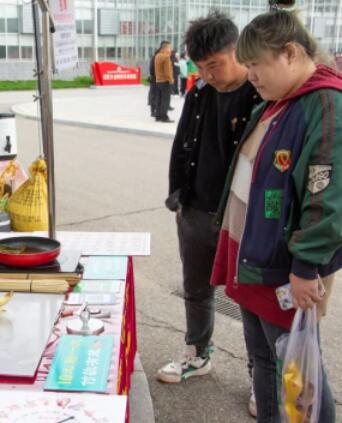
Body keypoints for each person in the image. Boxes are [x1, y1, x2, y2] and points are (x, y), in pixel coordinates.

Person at [211, 8, 340, 423]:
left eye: (256, 64)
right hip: (254, 257)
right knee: (265, 360)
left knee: (298, 370)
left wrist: (306, 265)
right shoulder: (279, 102)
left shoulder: (325, 104)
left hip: (284, 267)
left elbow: (327, 197)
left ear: (290, 53)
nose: (250, 76)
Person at [160, 11, 262, 399]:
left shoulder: (259, 95)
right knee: (196, 289)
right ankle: (198, 353)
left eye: (214, 65)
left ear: (237, 51)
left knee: (249, 299)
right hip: (195, 210)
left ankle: (260, 375)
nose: (207, 74)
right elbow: (181, 144)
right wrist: (177, 195)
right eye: (200, 67)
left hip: (242, 218)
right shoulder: (199, 94)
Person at [154, 41, 174, 122]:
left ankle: (158, 116)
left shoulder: (157, 56)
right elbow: (167, 72)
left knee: (159, 99)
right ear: (165, 48)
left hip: (158, 81)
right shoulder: (166, 57)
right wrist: (171, 80)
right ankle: (164, 117)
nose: (170, 49)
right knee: (165, 100)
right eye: (169, 48)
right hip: (165, 81)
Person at [148, 47, 161, 117]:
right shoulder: (155, 59)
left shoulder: (154, 58)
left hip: (154, 78)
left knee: (154, 94)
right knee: (154, 95)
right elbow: (152, 69)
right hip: (155, 79)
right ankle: (153, 111)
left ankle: (153, 110)